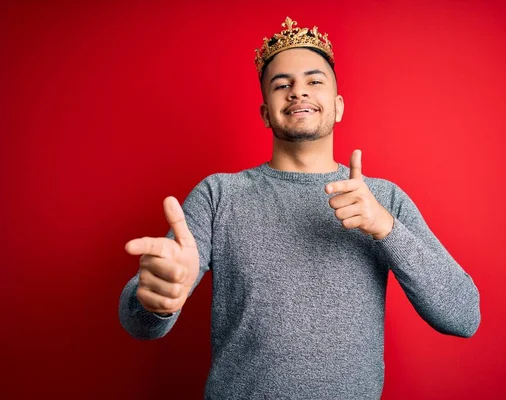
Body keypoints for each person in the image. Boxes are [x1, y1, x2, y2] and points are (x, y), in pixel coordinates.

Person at [118, 16, 481, 399]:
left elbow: (464, 316)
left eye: (314, 81)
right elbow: (139, 323)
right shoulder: (218, 195)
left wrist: (386, 229)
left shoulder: (382, 200)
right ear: (264, 113)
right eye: (282, 85)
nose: (298, 92)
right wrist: (154, 299)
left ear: (338, 107)